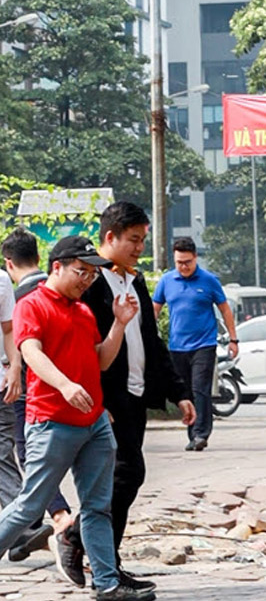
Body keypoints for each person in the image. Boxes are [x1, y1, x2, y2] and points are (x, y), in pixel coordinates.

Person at [52, 204, 195, 593]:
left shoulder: (134, 281)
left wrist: (178, 392)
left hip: (134, 395)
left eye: (142, 240)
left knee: (122, 479)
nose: (139, 247)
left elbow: (151, 339)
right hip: (106, 401)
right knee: (125, 474)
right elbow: (83, 350)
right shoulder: (92, 285)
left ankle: (105, 565)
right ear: (110, 238)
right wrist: (99, 401)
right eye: (133, 240)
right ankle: (80, 543)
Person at [3, 235, 150, 601]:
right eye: (80, 272)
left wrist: (119, 324)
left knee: (98, 507)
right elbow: (30, 351)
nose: (87, 280)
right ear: (57, 266)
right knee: (30, 507)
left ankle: (107, 584)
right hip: (51, 422)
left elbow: (99, 360)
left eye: (91, 274)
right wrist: (64, 385)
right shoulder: (32, 305)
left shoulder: (82, 311)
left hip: (95, 423)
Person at [1, 228, 72, 559]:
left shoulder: (18, 295)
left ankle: (44, 522)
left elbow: (18, 339)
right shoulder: (64, 293)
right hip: (63, 389)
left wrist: (15, 370)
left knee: (27, 456)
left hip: (29, 390)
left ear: (9, 262)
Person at [153, 237, 237, 452]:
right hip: (177, 346)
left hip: (204, 345)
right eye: (179, 262)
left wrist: (234, 339)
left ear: (195, 258)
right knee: (185, 392)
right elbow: (155, 308)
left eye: (187, 262)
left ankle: (201, 433)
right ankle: (192, 434)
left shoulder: (209, 280)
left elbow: (225, 310)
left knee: (201, 389)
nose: (184, 267)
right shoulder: (167, 281)